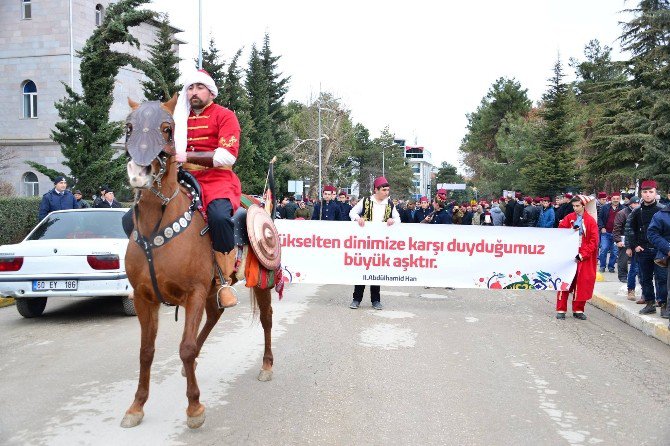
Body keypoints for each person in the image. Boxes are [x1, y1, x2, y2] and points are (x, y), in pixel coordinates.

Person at [171, 69, 243, 309]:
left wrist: (185, 155)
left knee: (219, 217)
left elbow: (226, 156)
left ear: (211, 91)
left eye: (199, 87)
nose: (193, 92)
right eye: (190, 88)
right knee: (143, 213)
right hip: (181, 177)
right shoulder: (178, 117)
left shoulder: (225, 116)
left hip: (217, 179)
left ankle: (224, 281)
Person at [348, 176, 401, 310]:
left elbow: (398, 218)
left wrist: (392, 221)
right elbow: (352, 212)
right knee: (362, 270)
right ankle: (356, 299)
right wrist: (358, 219)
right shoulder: (366, 201)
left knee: (376, 271)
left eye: (388, 190)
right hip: (365, 243)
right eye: (384, 190)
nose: (386, 192)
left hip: (380, 244)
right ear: (376, 190)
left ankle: (376, 300)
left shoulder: (389, 203)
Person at [626, 180, 667, 315]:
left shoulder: (663, 210)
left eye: (651, 192)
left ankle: (664, 305)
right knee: (645, 278)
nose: (648, 195)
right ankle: (650, 303)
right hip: (642, 250)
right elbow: (630, 229)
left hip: (660, 251)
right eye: (645, 192)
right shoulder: (637, 211)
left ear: (656, 193)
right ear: (641, 193)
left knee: (662, 279)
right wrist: (634, 245)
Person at [556, 195, 599, 320]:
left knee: (582, 283)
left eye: (577, 206)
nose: (575, 208)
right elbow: (560, 232)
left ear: (583, 206)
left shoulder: (591, 221)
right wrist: (570, 230)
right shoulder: (569, 218)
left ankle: (578, 309)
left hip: (584, 257)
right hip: (569, 255)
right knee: (565, 282)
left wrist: (583, 254)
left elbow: (594, 241)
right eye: (573, 206)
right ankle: (561, 309)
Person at [646, 202, 670, 319]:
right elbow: (652, 234)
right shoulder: (661, 215)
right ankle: (664, 304)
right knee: (663, 281)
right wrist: (668, 248)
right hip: (665, 255)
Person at [613, 196, 640, 295]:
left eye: (638, 203)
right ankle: (623, 276)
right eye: (634, 203)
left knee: (635, 261)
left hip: (636, 240)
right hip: (624, 237)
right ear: (630, 204)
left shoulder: (639, 212)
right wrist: (617, 240)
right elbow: (617, 227)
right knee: (623, 258)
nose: (636, 205)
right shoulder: (622, 213)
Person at [597, 193, 623, 273]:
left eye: (617, 198)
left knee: (614, 251)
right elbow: (600, 218)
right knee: (604, 249)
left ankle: (611, 267)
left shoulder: (623, 208)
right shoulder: (605, 207)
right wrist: (602, 227)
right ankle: (602, 266)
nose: (615, 200)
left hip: (617, 234)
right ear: (611, 199)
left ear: (619, 199)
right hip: (606, 233)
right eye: (614, 198)